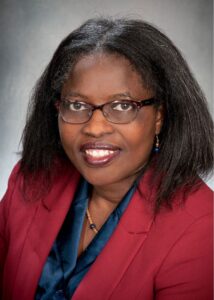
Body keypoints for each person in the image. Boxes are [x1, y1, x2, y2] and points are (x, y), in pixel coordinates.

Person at [0, 18, 213, 300]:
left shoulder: (201, 226)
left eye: (123, 105)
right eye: (77, 105)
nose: (95, 127)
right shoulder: (31, 180)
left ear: (159, 116)